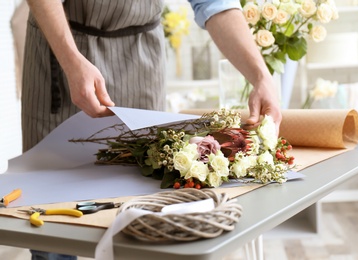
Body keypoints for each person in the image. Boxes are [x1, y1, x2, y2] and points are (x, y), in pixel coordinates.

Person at [23, 0, 282, 259]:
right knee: (52, 220)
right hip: (64, 49)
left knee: (142, 213)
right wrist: (71, 60)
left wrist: (261, 77)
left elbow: (214, 3)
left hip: (141, 59)